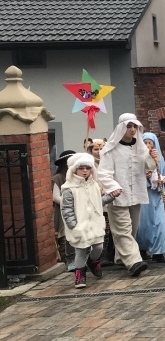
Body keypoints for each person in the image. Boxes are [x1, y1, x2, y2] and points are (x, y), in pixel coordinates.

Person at [97, 113, 157, 277]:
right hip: (118, 196)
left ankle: (120, 257)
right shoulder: (111, 149)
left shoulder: (141, 147)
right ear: (121, 128)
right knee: (122, 230)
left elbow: (149, 167)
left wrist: (152, 158)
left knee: (132, 230)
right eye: (128, 126)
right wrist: (113, 187)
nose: (132, 130)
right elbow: (103, 173)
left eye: (134, 126)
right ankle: (134, 261)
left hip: (136, 194)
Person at [60, 152, 119, 288]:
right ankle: (80, 275)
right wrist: (73, 225)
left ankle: (93, 261)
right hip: (80, 225)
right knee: (81, 250)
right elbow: (67, 208)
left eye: (87, 168)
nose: (85, 171)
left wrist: (111, 196)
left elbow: (98, 202)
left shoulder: (94, 185)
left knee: (98, 246)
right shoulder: (69, 189)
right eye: (81, 168)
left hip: (95, 223)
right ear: (74, 169)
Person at [135, 133, 165, 263]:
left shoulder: (159, 158)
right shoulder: (138, 158)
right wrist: (147, 177)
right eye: (145, 143)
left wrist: (163, 179)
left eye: (151, 143)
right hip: (144, 197)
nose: (148, 146)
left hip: (157, 196)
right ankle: (142, 250)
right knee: (143, 225)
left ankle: (158, 252)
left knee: (159, 224)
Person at [52, 150, 76, 270]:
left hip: (79, 210)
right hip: (63, 211)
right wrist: (69, 202)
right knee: (66, 236)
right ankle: (68, 260)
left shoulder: (77, 177)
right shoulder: (59, 178)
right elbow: (55, 197)